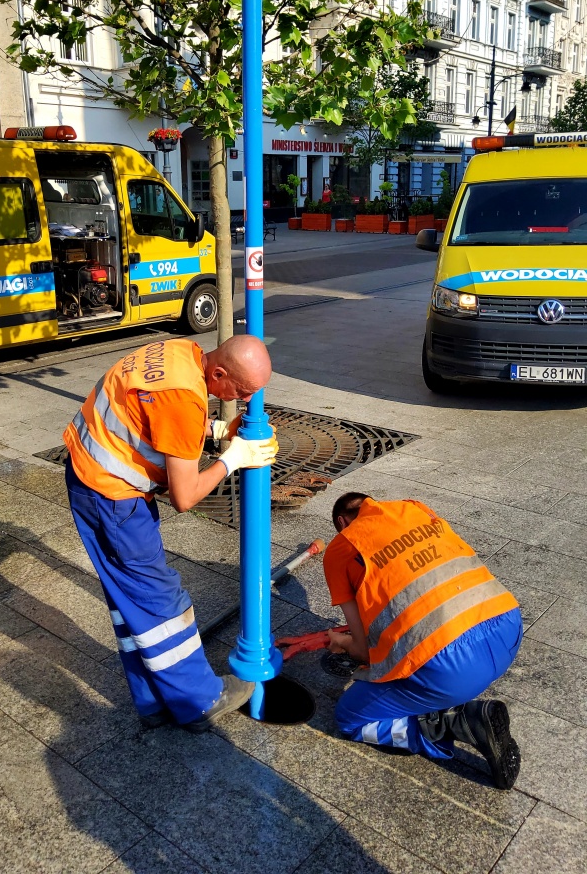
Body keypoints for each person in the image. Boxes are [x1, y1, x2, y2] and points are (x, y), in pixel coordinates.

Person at [63, 334, 277, 734]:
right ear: (218, 373)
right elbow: (186, 496)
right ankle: (200, 701)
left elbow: (155, 420)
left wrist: (212, 432)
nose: (246, 400)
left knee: (129, 603)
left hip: (90, 474)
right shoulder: (183, 399)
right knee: (158, 599)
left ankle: (153, 699)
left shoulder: (182, 353)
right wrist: (234, 458)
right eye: (243, 391)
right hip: (112, 498)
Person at [323, 492, 523, 789]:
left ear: (342, 523)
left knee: (350, 719)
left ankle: (457, 722)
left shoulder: (341, 548)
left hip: (450, 668)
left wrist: (340, 640)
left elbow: (364, 650)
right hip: (509, 628)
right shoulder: (414, 508)